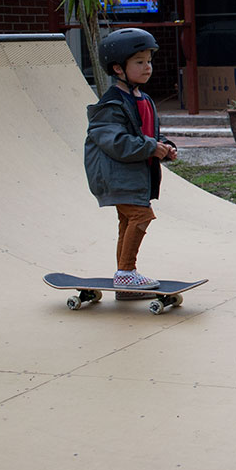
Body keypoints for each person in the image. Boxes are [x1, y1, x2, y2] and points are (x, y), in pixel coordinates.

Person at [84, 28, 178, 298]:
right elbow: (115, 141)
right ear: (118, 68)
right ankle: (126, 273)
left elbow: (149, 134)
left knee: (127, 222)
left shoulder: (144, 100)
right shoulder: (110, 105)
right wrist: (151, 146)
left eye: (149, 60)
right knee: (140, 215)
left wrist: (165, 146)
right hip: (117, 175)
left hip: (136, 175)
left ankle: (124, 278)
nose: (147, 67)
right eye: (139, 62)